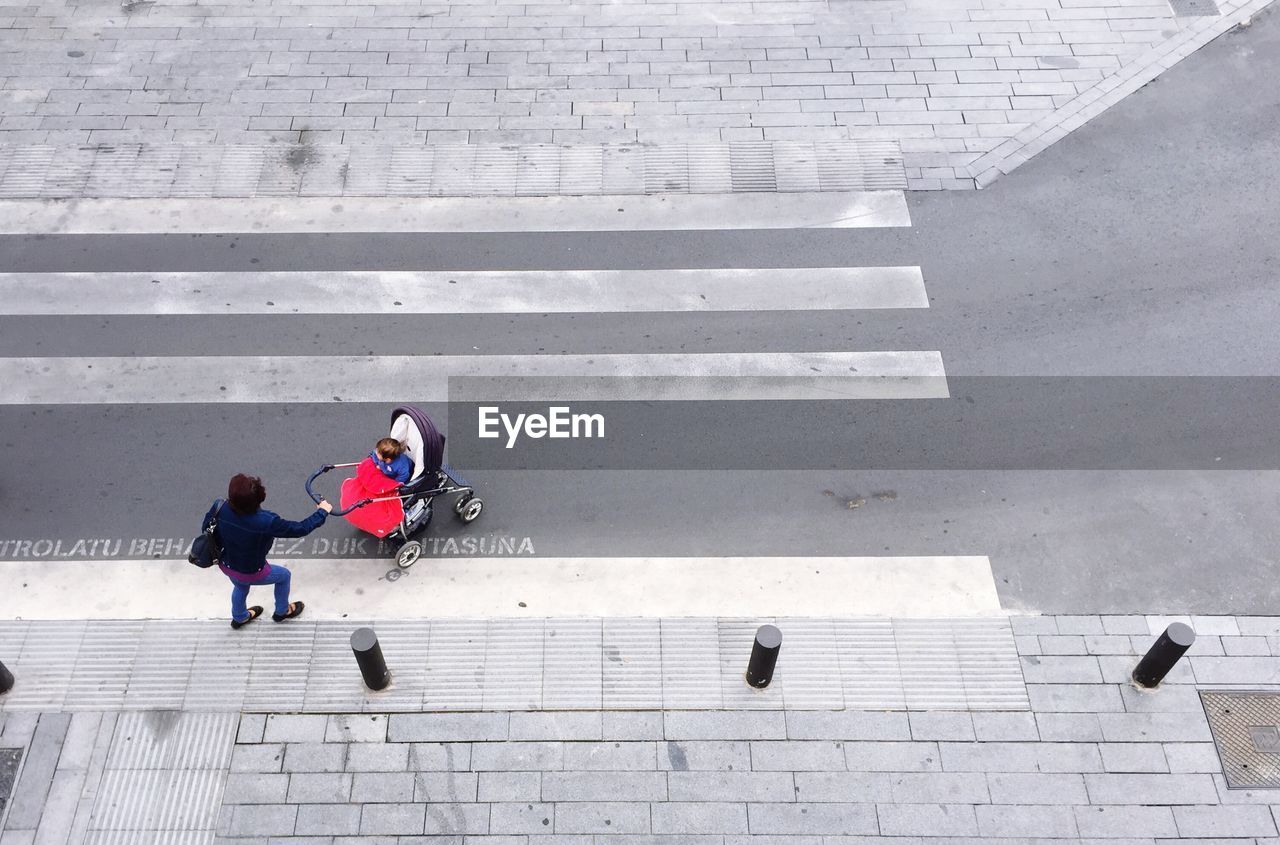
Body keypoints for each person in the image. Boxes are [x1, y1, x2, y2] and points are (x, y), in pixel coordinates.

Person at [207, 473, 331, 629]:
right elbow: (300, 529)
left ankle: (239, 617)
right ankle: (282, 611)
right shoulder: (266, 522)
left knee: (240, 586)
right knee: (284, 576)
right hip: (251, 571)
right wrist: (322, 512)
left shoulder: (219, 506)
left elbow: (206, 527)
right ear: (259, 498)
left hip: (226, 565)